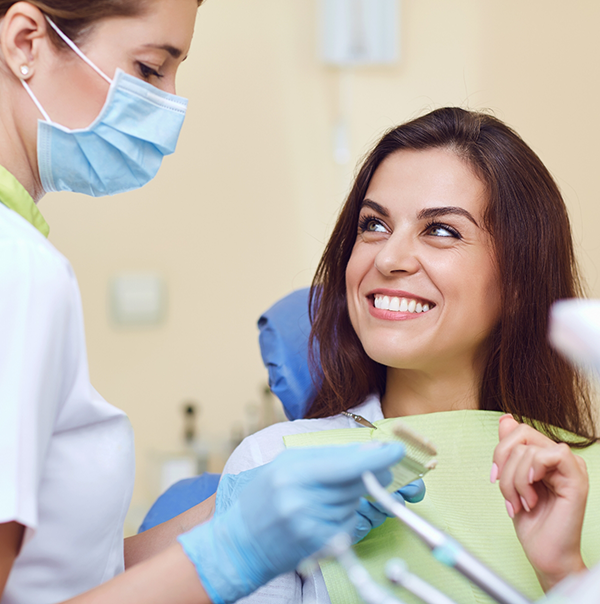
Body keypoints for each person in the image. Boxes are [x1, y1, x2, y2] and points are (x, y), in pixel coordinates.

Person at [0, 2, 413, 603]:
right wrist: (237, 550)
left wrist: (229, 511)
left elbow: (58, 575)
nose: (170, 106)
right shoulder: (20, 270)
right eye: (148, 69)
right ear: (26, 42)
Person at [219, 107, 600, 603]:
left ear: (518, 282)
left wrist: (564, 575)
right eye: (373, 224)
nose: (389, 258)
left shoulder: (580, 477)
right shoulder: (274, 467)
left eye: (441, 230)